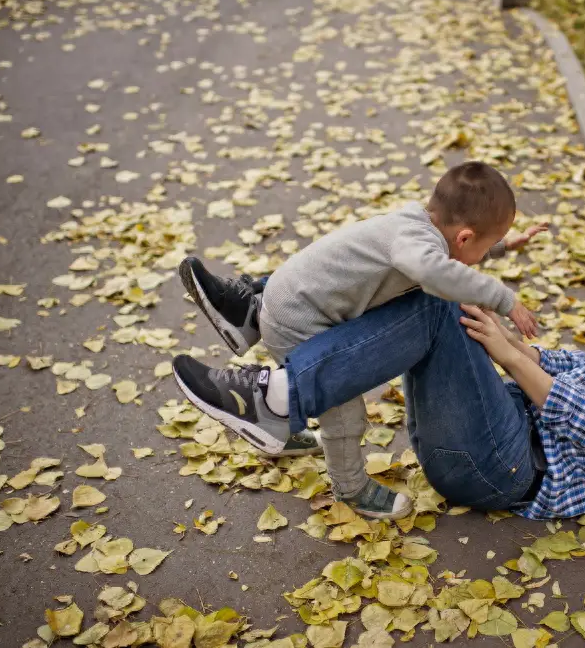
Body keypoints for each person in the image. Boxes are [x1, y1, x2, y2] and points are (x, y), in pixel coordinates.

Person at [174, 264, 585, 518]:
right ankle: (259, 305)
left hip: (505, 471)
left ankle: (278, 401)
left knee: (436, 304)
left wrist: (508, 353)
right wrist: (498, 323)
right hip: (491, 428)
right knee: (435, 278)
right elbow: (553, 362)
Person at [175, 161, 547, 520]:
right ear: (464, 237)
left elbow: (452, 253)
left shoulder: (412, 223)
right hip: (300, 323)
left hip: (281, 298)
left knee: (327, 366)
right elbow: (435, 269)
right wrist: (503, 299)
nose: (484, 254)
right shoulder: (420, 250)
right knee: (343, 413)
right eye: (487, 245)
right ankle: (349, 486)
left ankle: (243, 314)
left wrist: (502, 247)